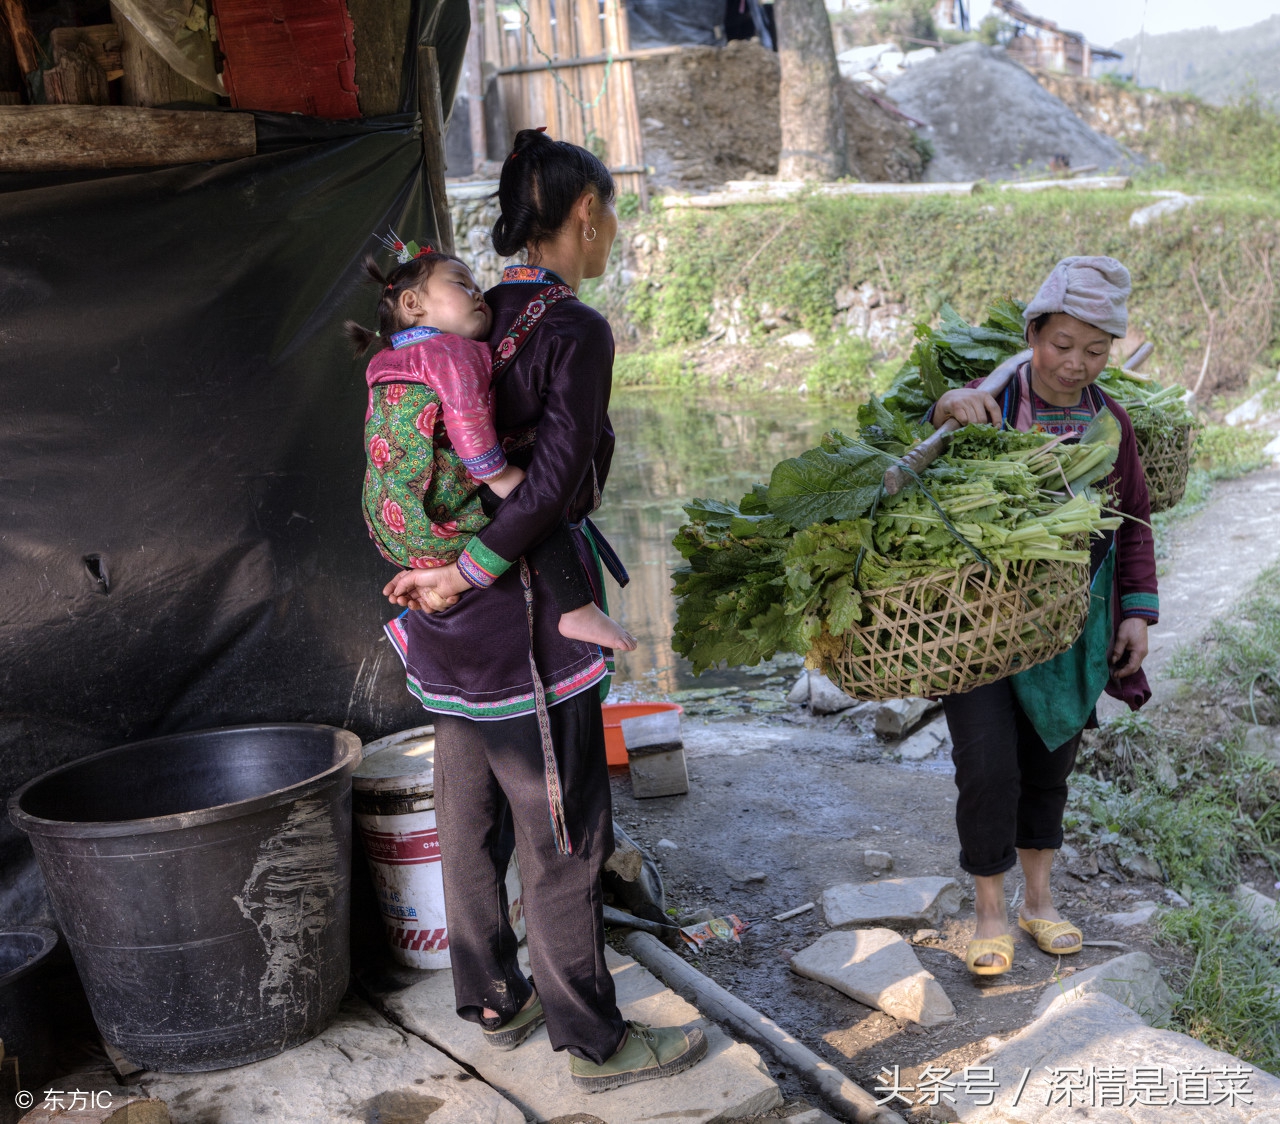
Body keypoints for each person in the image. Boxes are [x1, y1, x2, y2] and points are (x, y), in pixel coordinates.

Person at [380, 128, 707, 1090]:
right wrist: (480, 571)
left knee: (467, 800)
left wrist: (449, 574)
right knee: (562, 822)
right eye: (610, 220)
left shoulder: (466, 321)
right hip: (519, 605)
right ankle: (593, 1043)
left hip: (442, 610)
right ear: (586, 215)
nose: (609, 236)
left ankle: (492, 998)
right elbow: (555, 486)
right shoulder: (572, 327)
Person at [930, 256, 1159, 977]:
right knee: (988, 766)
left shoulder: (1109, 422)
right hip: (976, 626)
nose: (1075, 364)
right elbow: (927, 433)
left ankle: (1038, 901)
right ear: (1033, 334)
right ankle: (989, 911)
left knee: (1047, 764)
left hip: (1067, 630)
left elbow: (1135, 524)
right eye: (1062, 345)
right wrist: (946, 408)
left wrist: (1137, 616)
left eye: (1095, 351)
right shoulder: (992, 398)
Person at [347, 245, 636, 653]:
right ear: (412, 304)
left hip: (391, 519)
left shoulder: (387, 360)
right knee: (533, 498)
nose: (479, 293)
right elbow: (468, 422)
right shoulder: (453, 354)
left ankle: (435, 587)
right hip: (441, 506)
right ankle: (577, 609)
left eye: (477, 285)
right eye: (462, 285)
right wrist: (499, 475)